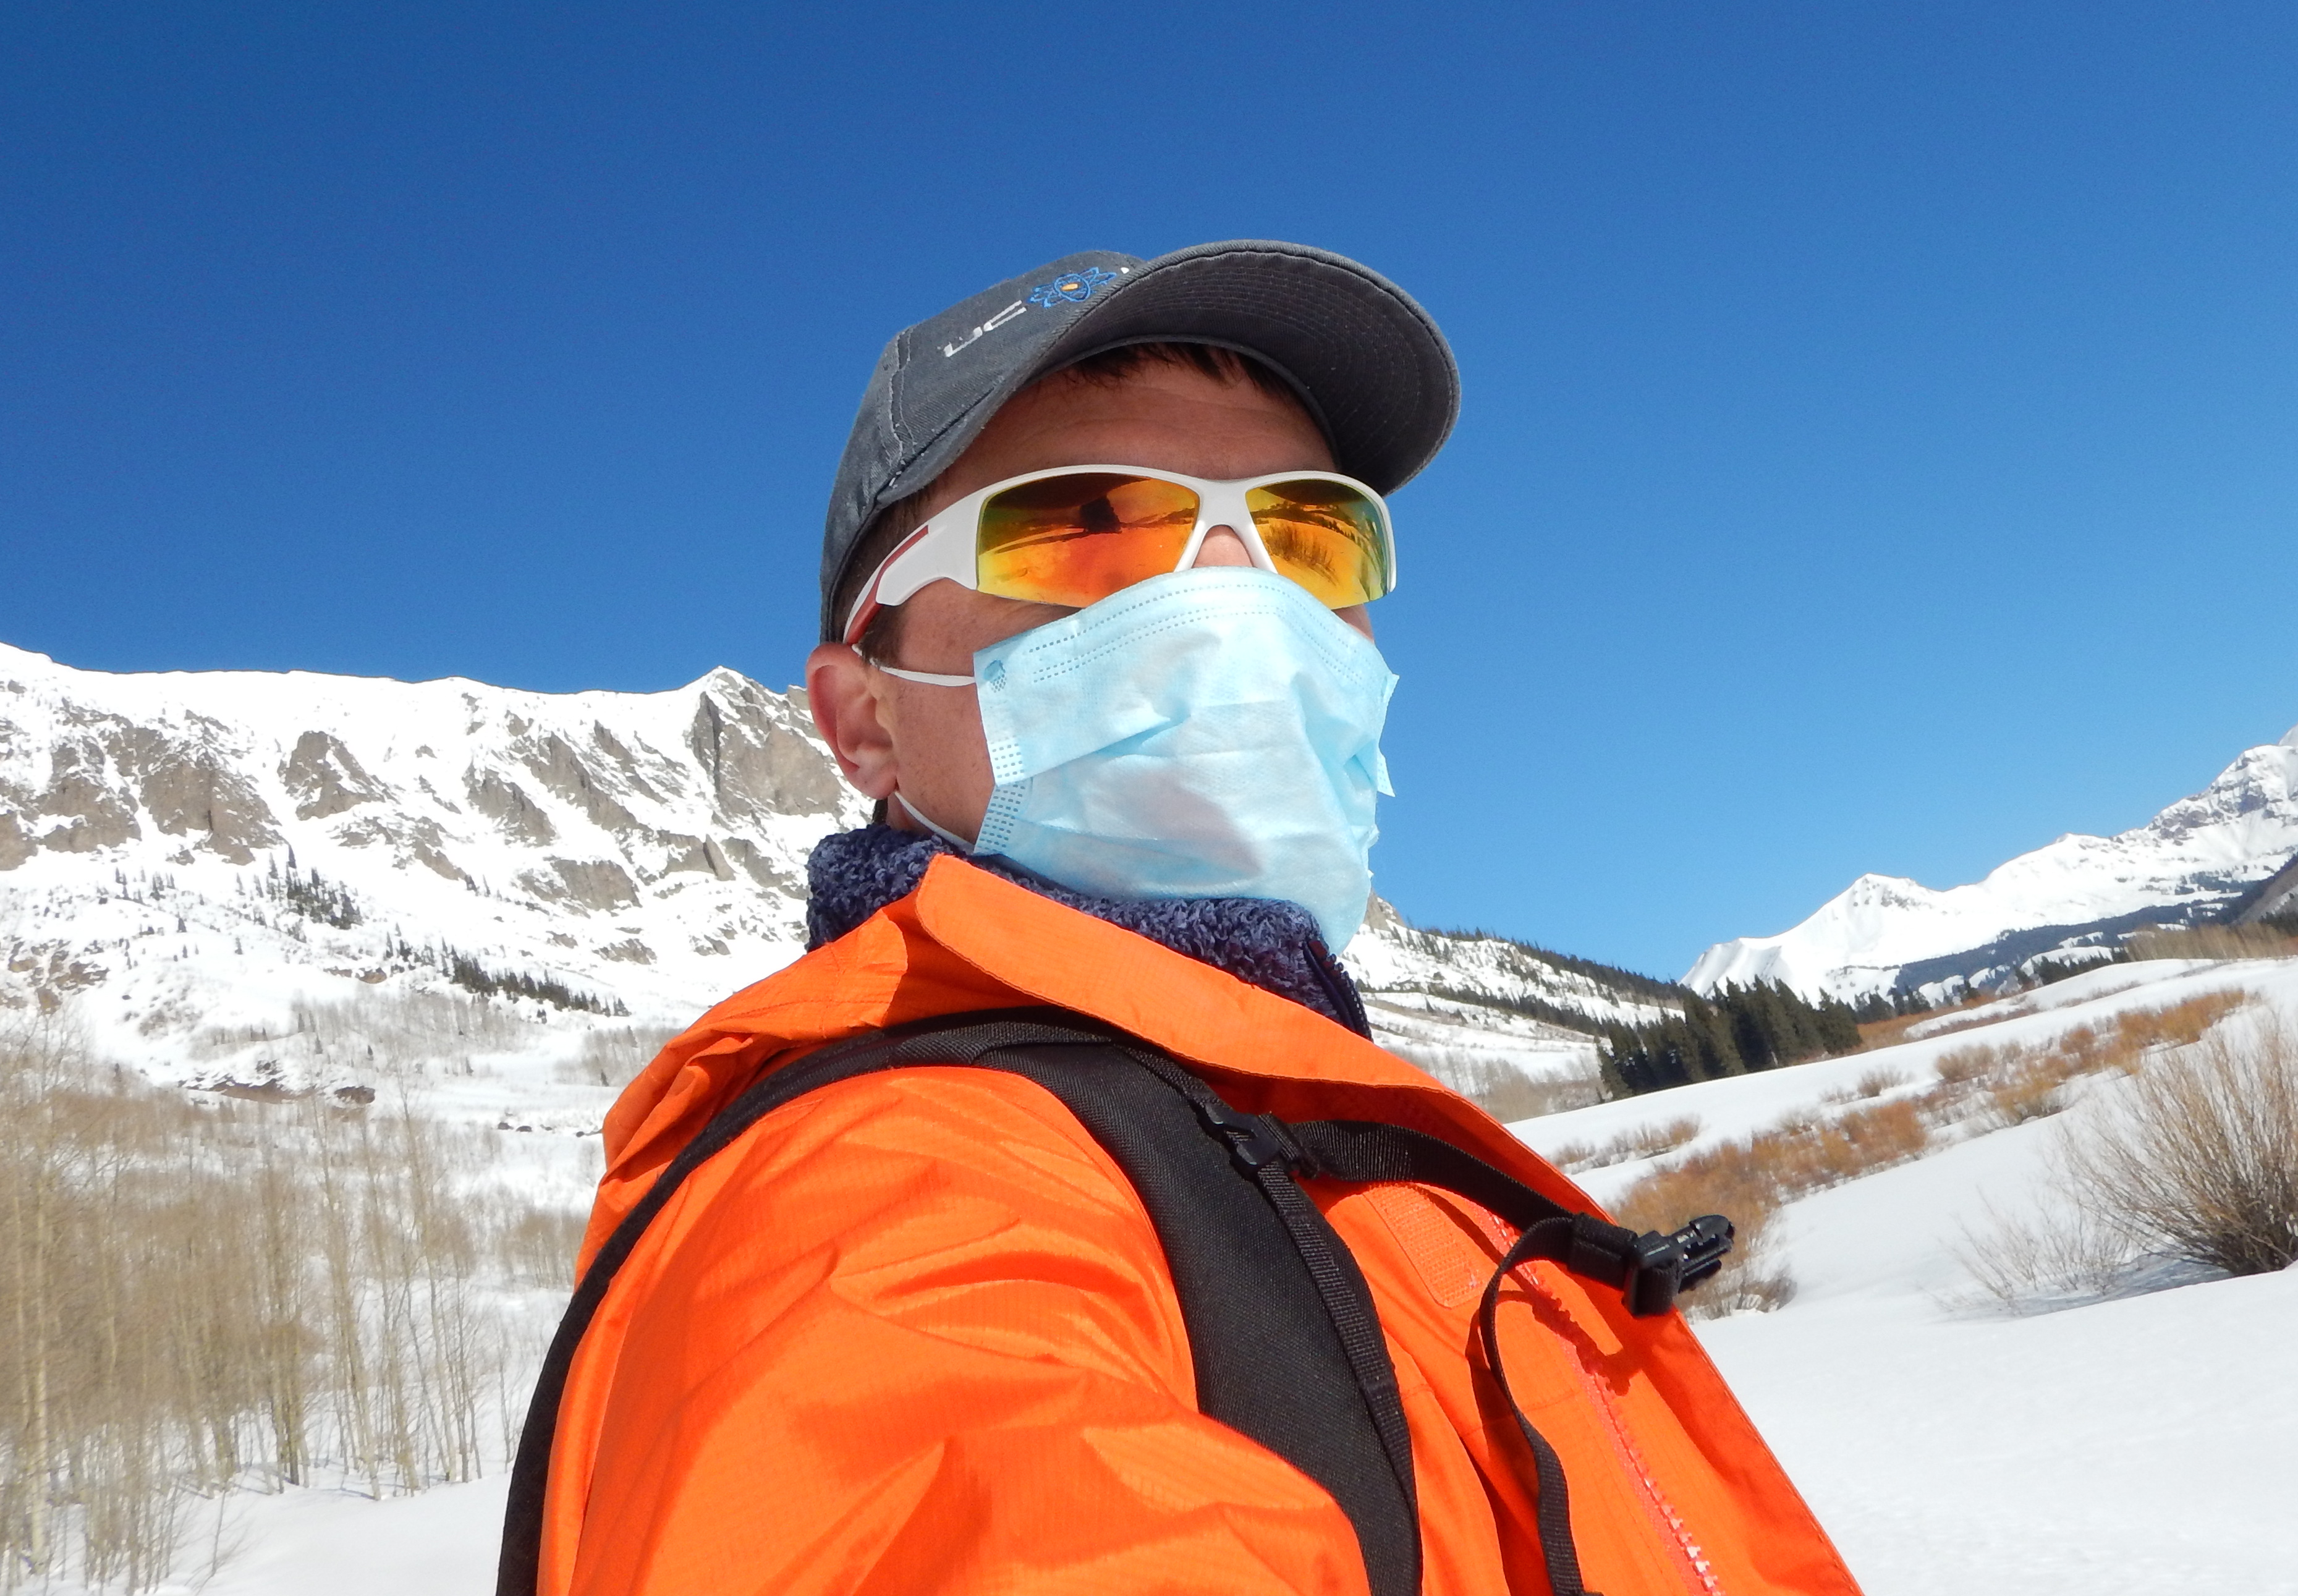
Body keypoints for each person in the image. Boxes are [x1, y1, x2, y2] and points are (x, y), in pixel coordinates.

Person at [511, 240, 1859, 1595]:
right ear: (867, 717)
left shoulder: (1307, 1129)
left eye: (1312, 537)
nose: (1240, 600)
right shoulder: (889, 1196)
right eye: (1089, 522)